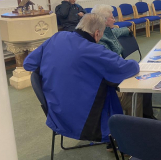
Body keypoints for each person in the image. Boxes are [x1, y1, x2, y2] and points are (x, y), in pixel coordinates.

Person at [23, 13, 139, 144]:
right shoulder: (94, 50)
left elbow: (28, 63)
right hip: (83, 118)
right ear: (97, 33)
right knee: (136, 93)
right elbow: (128, 68)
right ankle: (126, 142)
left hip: (55, 111)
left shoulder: (57, 37)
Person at [91, 4, 143, 117]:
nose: (115, 19)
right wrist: (132, 65)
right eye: (112, 17)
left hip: (115, 72)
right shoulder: (100, 42)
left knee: (142, 81)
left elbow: (116, 32)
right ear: (104, 21)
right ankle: (136, 127)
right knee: (137, 89)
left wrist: (127, 30)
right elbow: (113, 67)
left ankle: (146, 116)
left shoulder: (106, 31)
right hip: (110, 81)